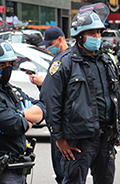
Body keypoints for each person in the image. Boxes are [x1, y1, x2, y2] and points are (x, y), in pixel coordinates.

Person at [40, 5, 120, 184]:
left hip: (106, 139)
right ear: (79, 36)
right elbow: (51, 101)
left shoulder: (106, 61)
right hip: (78, 142)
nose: (97, 37)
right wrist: (59, 138)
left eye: (98, 33)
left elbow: (118, 95)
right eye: (92, 33)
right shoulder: (64, 63)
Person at [27, 26, 69, 184]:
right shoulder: (58, 58)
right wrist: (41, 84)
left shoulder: (68, 60)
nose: (49, 48)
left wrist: (43, 84)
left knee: (65, 171)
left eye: (50, 44)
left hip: (64, 123)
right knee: (60, 170)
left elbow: (65, 92)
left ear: (60, 39)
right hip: (56, 123)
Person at [0, 39, 46, 183]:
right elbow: (14, 125)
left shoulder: (11, 90)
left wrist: (22, 114)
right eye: (2, 65)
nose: (7, 69)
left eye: (10, 64)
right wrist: (26, 117)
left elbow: (42, 109)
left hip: (18, 166)